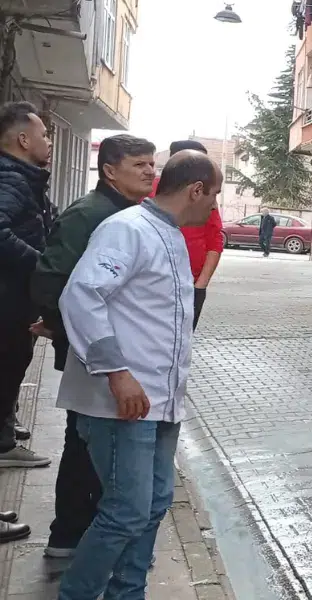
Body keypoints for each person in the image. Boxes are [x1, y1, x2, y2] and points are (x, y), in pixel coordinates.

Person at [55, 150, 221, 600]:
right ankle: (77, 594)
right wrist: (116, 371)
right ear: (195, 190)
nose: (214, 207)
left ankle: (127, 593)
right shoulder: (126, 230)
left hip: (160, 403)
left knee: (151, 506)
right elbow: (82, 295)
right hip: (121, 403)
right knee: (125, 511)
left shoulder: (169, 235)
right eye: (215, 196)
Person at [30, 134, 156, 558]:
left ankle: (79, 533)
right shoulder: (92, 215)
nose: (149, 172)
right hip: (94, 355)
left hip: (107, 350)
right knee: (84, 444)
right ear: (109, 171)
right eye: (139, 164)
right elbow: (51, 279)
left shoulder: (126, 214)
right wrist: (61, 328)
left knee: (93, 444)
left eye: (151, 164)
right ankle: (69, 534)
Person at [0, 101, 54, 481]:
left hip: (16, 298)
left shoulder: (23, 177)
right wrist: (42, 265)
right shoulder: (10, 179)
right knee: (6, 367)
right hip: (7, 301)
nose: (49, 142)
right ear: (23, 139)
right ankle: (3, 446)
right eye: (44, 135)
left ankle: (4, 432)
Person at [150, 139, 223, 330]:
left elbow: (215, 240)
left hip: (191, 285)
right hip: (158, 289)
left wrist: (200, 285)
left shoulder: (206, 200)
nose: (214, 204)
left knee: (181, 340)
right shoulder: (134, 223)